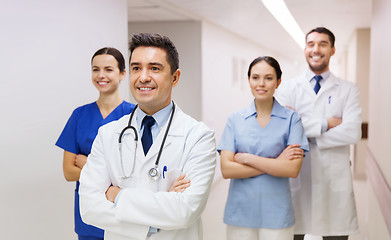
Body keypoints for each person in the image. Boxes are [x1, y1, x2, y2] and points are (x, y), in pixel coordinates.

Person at [79, 33, 216, 240]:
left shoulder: (198, 136)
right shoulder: (108, 134)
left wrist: (118, 196)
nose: (143, 77)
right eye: (136, 68)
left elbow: (185, 212)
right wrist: (157, 217)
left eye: (154, 68)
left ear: (175, 77)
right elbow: (89, 208)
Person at [275, 27, 362, 240]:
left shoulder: (348, 89)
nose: (316, 49)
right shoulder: (287, 88)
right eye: (311, 44)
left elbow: (352, 132)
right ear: (305, 49)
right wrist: (326, 124)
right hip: (297, 177)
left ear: (332, 50)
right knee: (292, 233)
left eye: (323, 44)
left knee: (335, 235)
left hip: (334, 180)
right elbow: (282, 130)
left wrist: (303, 128)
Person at [218, 56, 309, 240]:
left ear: (278, 81)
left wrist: (246, 158)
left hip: (277, 212)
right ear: (249, 80)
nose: (261, 84)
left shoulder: (292, 119)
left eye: (268, 78)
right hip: (240, 211)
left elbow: (292, 169)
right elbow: (227, 169)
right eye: (255, 77)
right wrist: (276, 163)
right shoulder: (235, 120)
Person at [56, 47, 135, 240]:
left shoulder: (135, 116)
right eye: (95, 69)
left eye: (108, 69)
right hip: (88, 212)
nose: (101, 75)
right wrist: (109, 176)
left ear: (122, 73)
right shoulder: (79, 115)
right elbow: (68, 171)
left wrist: (87, 164)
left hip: (124, 211)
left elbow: (134, 172)